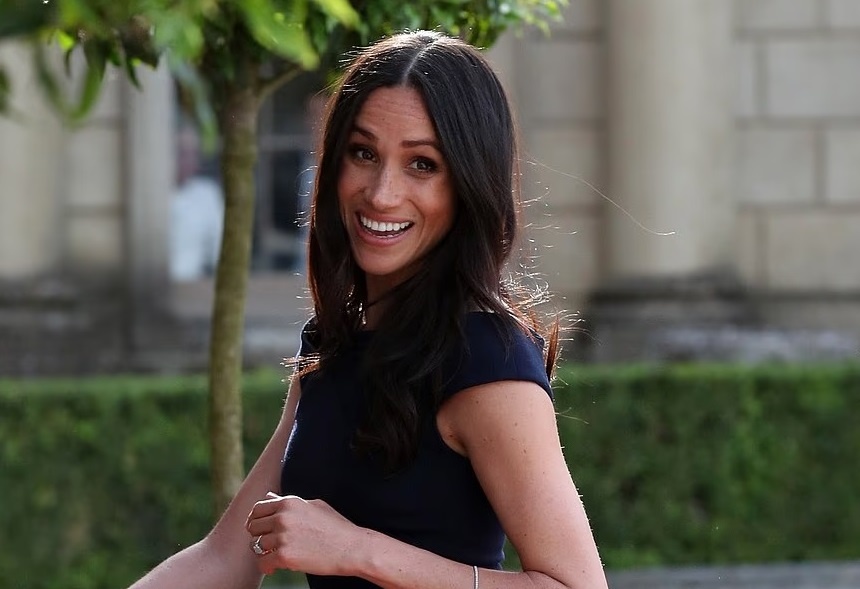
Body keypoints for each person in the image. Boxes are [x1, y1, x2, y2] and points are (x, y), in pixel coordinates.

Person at [130, 30, 608, 589]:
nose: (381, 193)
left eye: (422, 164)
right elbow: (225, 557)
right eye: (363, 153)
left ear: (468, 185)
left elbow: (576, 585)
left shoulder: (485, 359)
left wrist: (358, 550)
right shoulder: (336, 342)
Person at [169, 125, 224, 281]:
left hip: (194, 284)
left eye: (194, 154)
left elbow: (219, 248)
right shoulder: (151, 195)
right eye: (182, 153)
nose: (189, 160)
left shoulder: (207, 193)